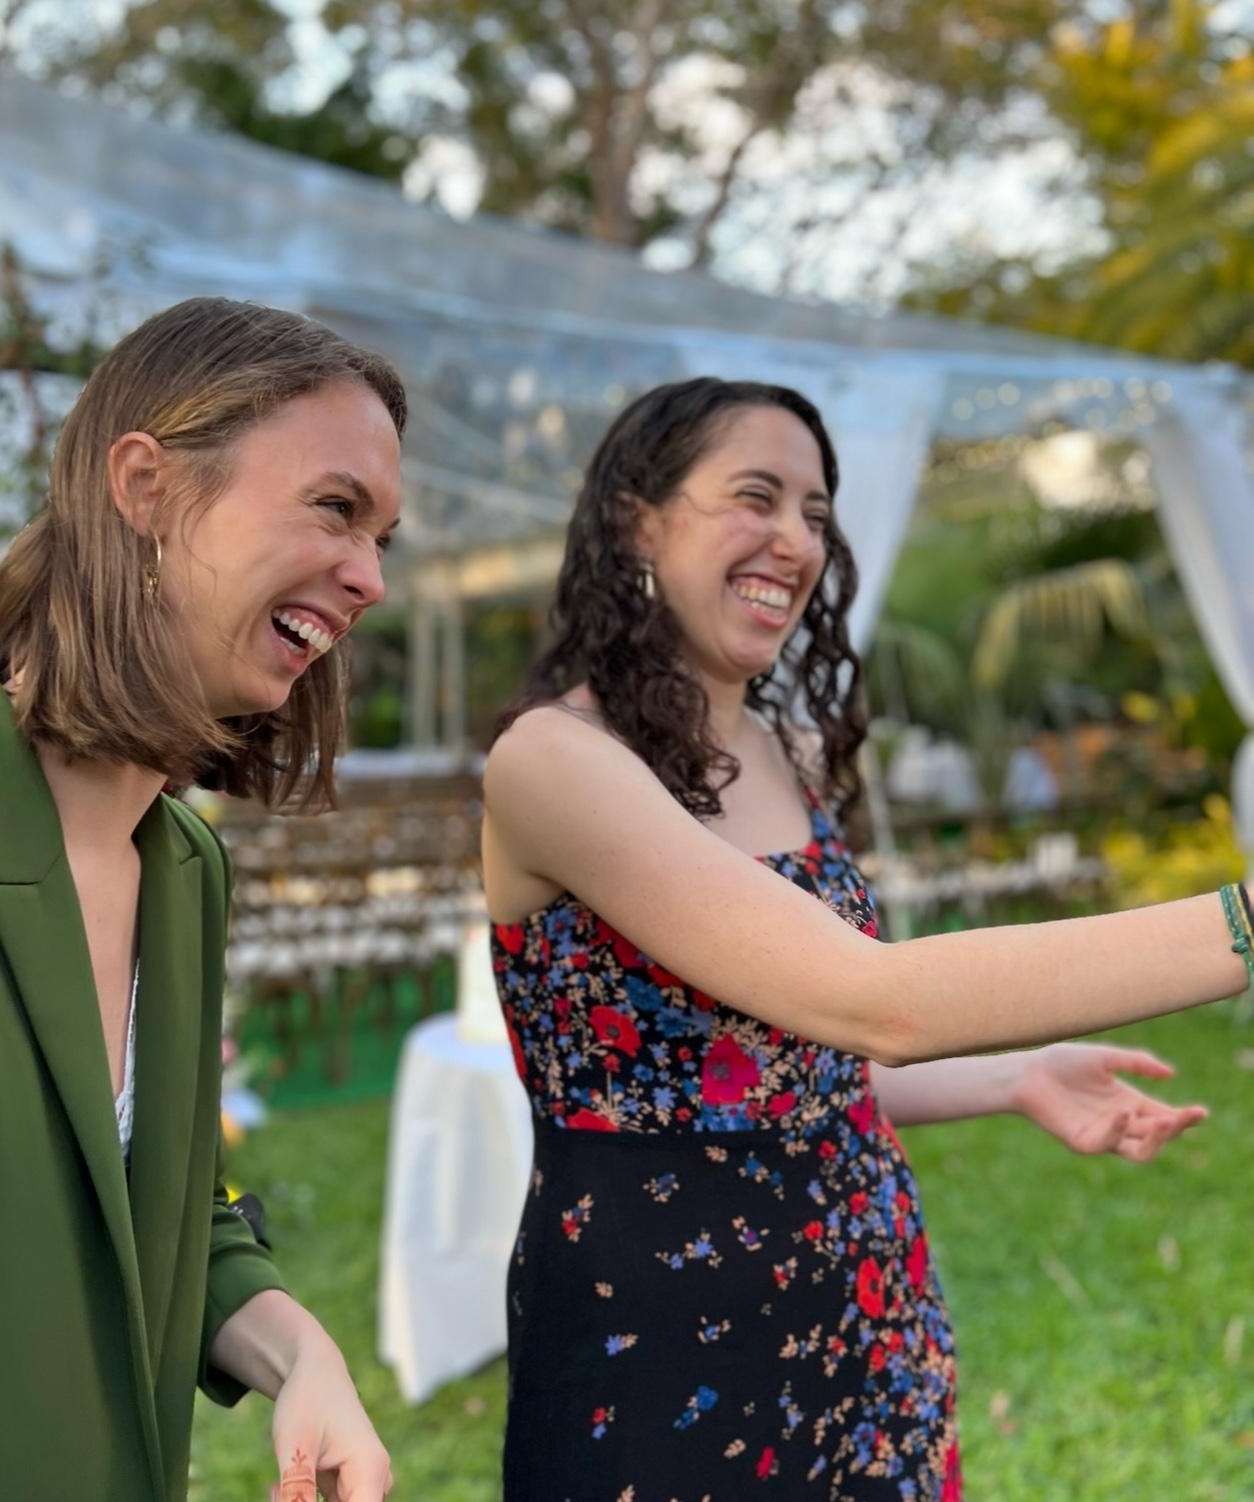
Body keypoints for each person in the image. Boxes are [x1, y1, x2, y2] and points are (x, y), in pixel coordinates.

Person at [482, 378, 1230, 1501]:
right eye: (755, 496)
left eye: (816, 513)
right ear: (638, 520)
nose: (794, 539)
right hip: (660, 1340)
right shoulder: (552, 761)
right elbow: (875, 998)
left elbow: (799, 1065)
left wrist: (1016, 1076)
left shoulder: (793, 753)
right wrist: (1237, 925)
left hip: (867, 1301)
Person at [0, 297, 404, 1502]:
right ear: (145, 486)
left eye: (382, 539)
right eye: (333, 507)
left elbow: (165, 1206)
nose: (367, 576)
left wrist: (302, 1356)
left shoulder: (185, 870)